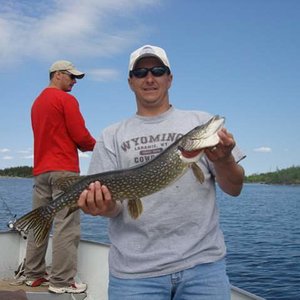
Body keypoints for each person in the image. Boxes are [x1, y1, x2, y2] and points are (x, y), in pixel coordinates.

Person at [78, 45, 245, 299]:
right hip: (134, 275)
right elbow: (115, 209)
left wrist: (224, 162)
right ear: (130, 82)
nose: (149, 78)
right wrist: (102, 206)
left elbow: (234, 188)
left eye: (157, 70)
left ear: (170, 78)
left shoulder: (198, 120)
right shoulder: (111, 136)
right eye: (140, 72)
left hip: (203, 267)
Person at [24, 60, 96, 294]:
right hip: (64, 170)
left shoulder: (36, 103)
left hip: (41, 171)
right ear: (57, 75)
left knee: (39, 222)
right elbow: (80, 135)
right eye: (72, 77)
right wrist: (97, 146)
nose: (75, 82)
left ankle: (33, 274)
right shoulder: (66, 99)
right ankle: (62, 281)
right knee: (66, 225)